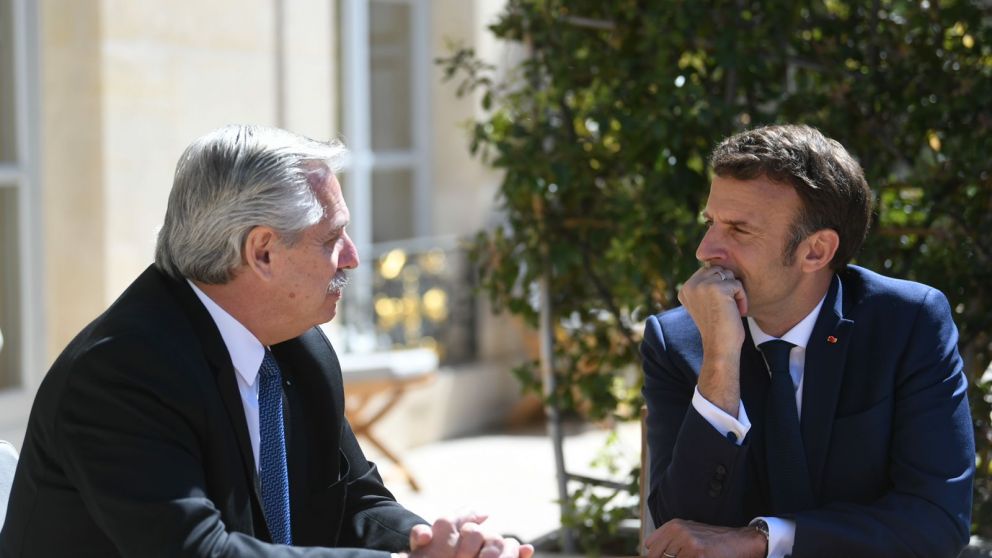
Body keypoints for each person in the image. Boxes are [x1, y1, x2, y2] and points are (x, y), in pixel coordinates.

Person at [0, 125, 534, 558]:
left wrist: (431, 544)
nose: (351, 256)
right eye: (332, 238)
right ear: (262, 253)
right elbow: (198, 553)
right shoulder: (120, 375)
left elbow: (354, 499)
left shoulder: (298, 348)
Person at [640, 124, 974, 558]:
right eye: (710, 223)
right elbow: (678, 533)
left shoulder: (907, 323)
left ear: (815, 251)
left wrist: (762, 539)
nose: (706, 249)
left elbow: (937, 521)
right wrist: (721, 359)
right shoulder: (676, 341)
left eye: (739, 230)